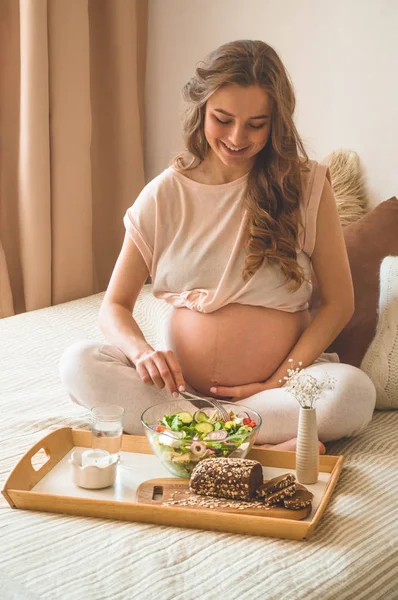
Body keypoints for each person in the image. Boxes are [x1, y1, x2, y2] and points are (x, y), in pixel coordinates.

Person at [60, 39, 376, 452]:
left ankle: (190, 438)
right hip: (179, 394)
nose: (237, 137)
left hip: (272, 391)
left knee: (352, 393)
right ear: (201, 110)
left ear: (276, 121)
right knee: (79, 364)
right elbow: (114, 305)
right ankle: (238, 439)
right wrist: (141, 354)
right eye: (222, 119)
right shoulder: (163, 195)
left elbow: (340, 304)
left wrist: (277, 380)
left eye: (256, 124)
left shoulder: (306, 185)